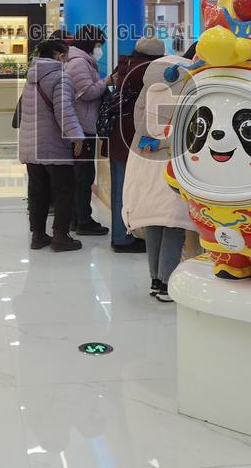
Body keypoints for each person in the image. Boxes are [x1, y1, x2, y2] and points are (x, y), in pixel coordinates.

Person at [123, 55, 199, 302]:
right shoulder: (189, 86)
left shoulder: (149, 86)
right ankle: (168, 282)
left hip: (144, 158)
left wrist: (149, 141)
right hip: (173, 160)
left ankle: (155, 279)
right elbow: (188, 127)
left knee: (154, 221)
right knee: (173, 221)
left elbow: (139, 119)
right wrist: (165, 142)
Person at [18, 39, 85, 252]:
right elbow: (64, 111)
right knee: (64, 190)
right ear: (58, 55)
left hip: (31, 144)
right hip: (53, 144)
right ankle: (60, 236)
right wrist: (77, 137)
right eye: (65, 54)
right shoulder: (61, 77)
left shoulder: (32, 75)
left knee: (38, 191)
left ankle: (38, 236)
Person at [106, 36, 166, 252]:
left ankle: (121, 234)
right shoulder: (147, 71)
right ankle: (122, 238)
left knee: (120, 188)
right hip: (133, 138)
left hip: (118, 136)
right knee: (128, 189)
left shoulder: (126, 66)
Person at [65, 24, 110, 236]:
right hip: (81, 126)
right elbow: (87, 93)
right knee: (83, 175)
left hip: (82, 124)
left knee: (81, 175)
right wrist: (107, 82)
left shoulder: (80, 61)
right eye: (99, 43)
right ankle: (83, 220)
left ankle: (77, 218)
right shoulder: (80, 63)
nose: (100, 48)